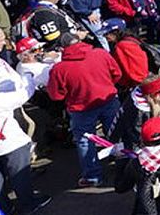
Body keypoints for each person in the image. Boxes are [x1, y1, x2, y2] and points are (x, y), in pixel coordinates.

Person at [0, 28, 48, 214]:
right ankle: (28, 205)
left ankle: (2, 212)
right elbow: (23, 95)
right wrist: (29, 79)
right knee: (19, 174)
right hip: (8, 143)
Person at [45, 31, 122, 187]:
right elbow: (117, 74)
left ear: (62, 48)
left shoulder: (59, 69)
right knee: (117, 133)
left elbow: (55, 96)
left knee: (85, 141)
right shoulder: (100, 54)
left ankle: (93, 176)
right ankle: (123, 165)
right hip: (108, 99)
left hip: (81, 108)